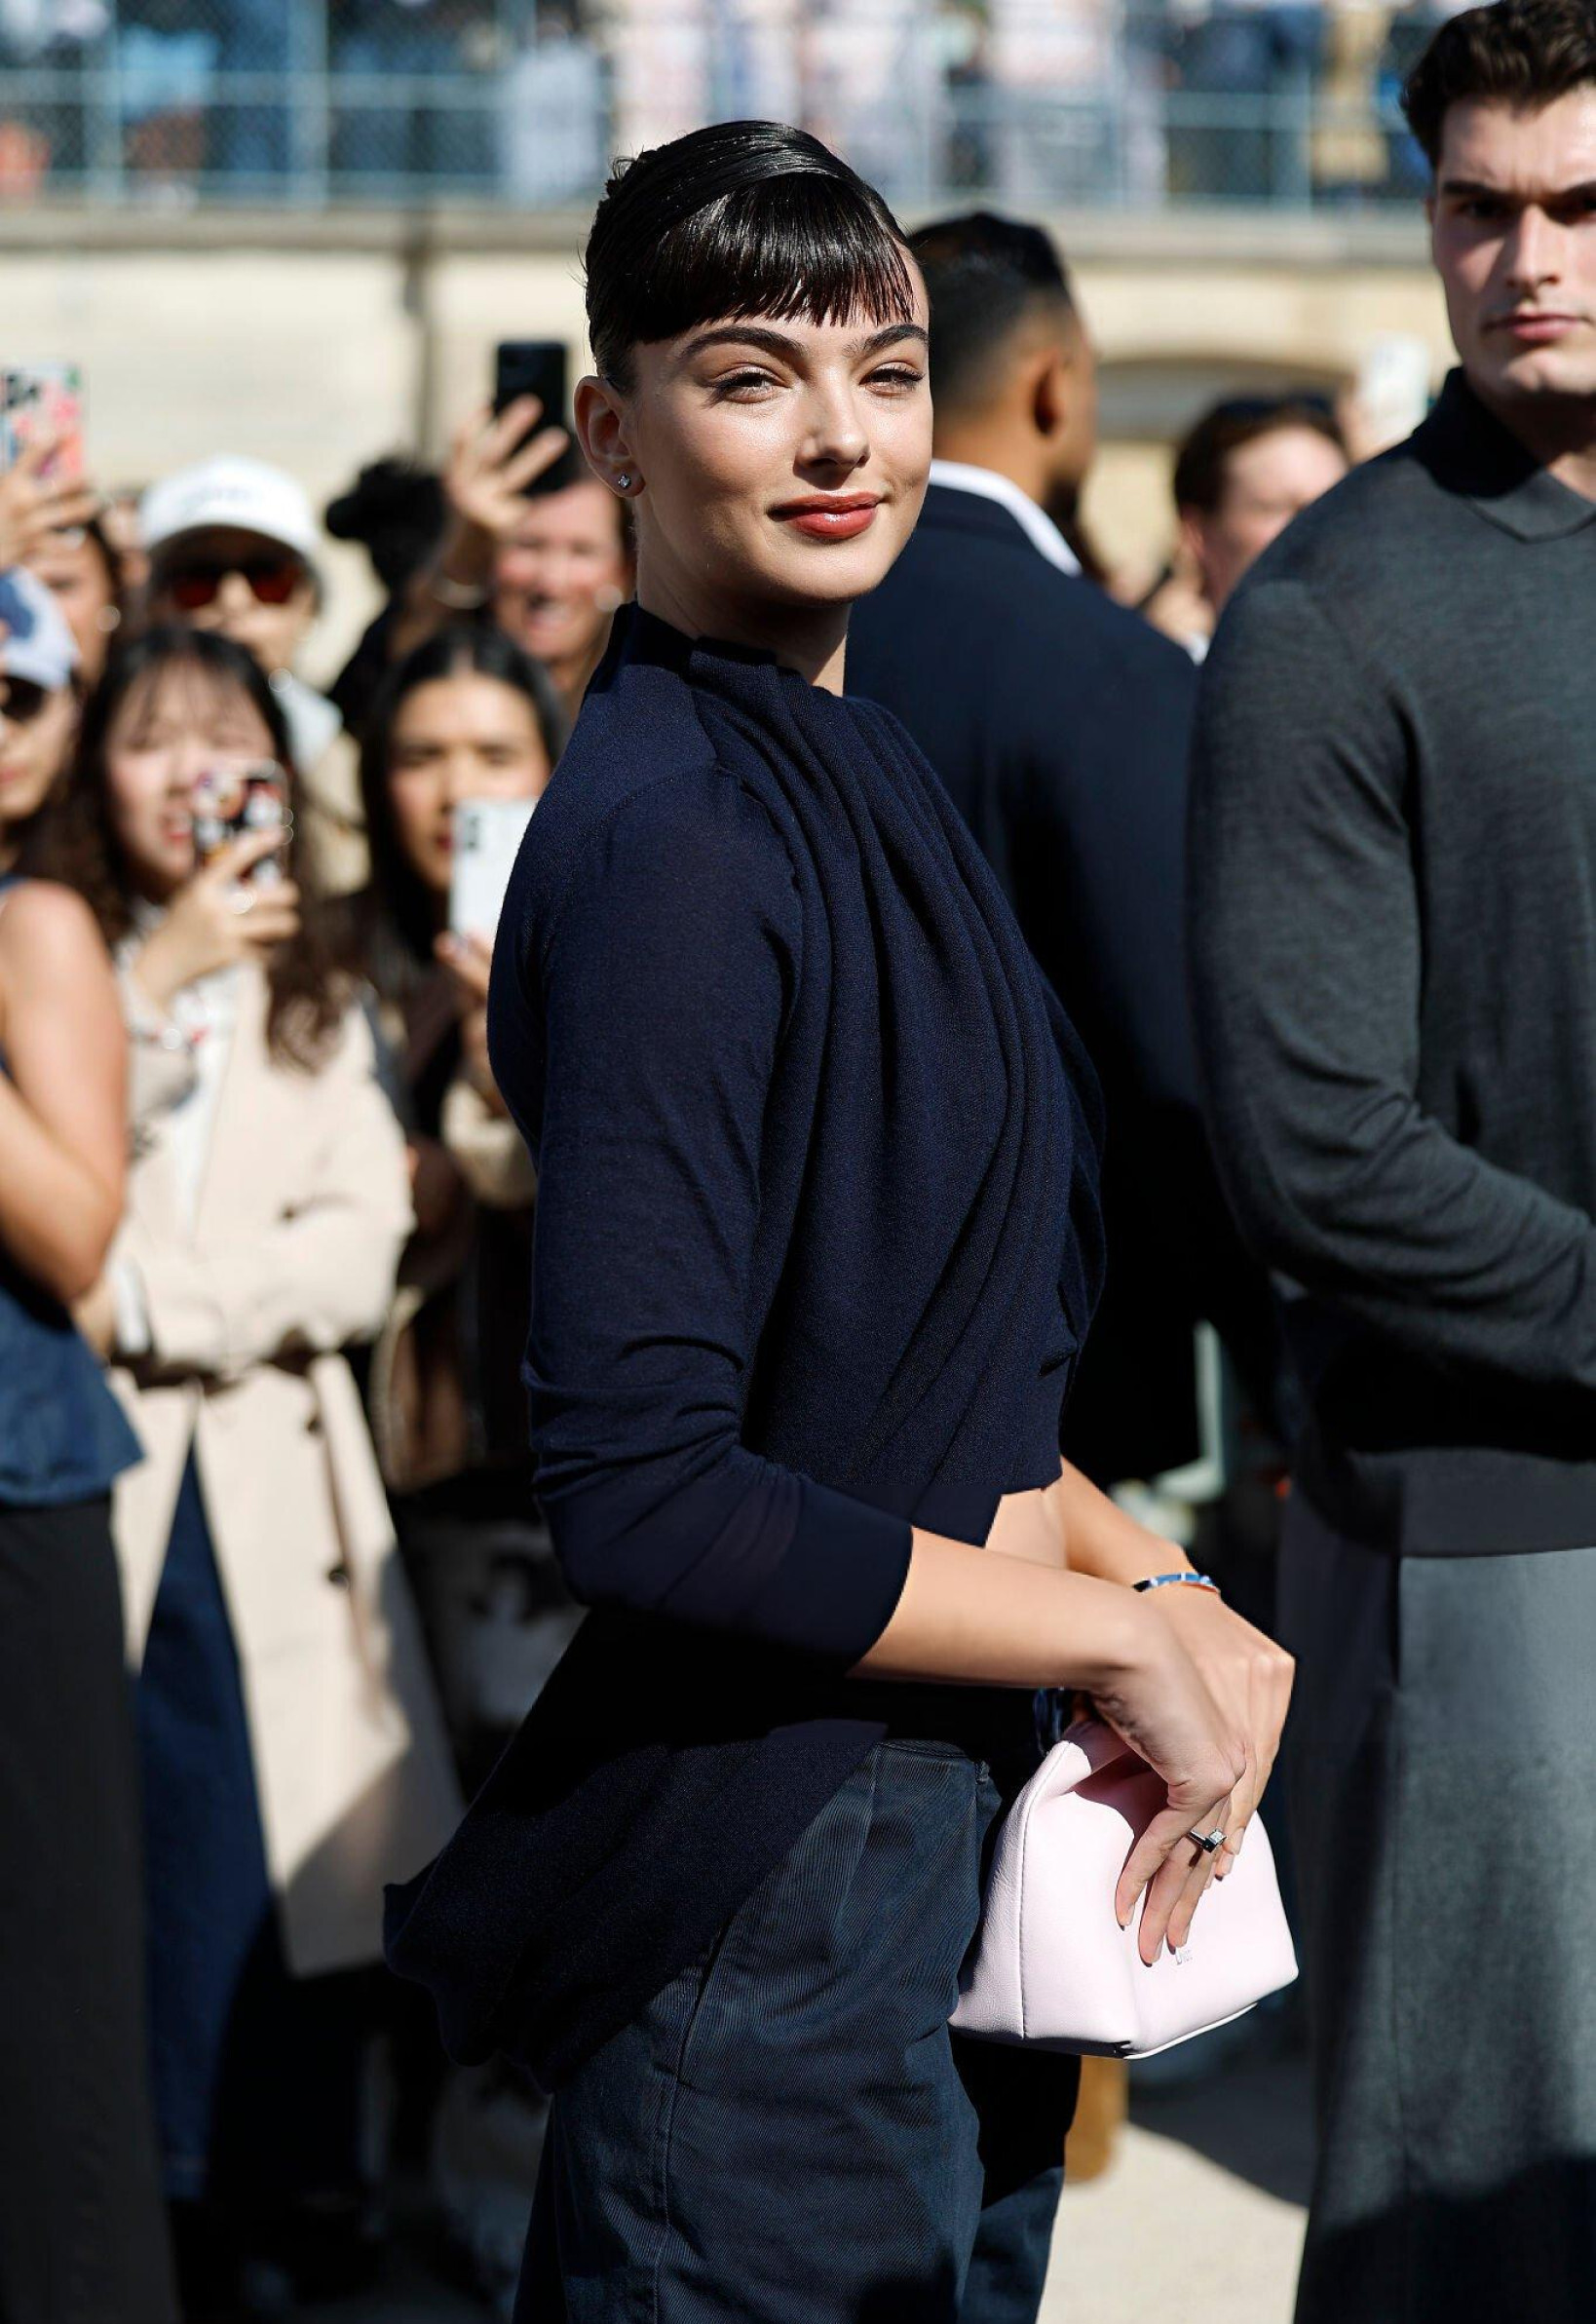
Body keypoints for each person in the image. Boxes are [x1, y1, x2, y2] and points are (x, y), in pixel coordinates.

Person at [388, 120, 1292, 2324]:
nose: (838, 438)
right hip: (772, 1883)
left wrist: (1153, 1575)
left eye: (883, 373)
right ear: (610, 428)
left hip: (914, 1840)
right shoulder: (684, 837)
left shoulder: (843, 758)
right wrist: (1107, 1634)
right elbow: (649, 1487)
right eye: (747, 376)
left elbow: (903, 1372)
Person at [1187, 4, 1596, 2317]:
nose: (1529, 259)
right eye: (1481, 207)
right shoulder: (1338, 610)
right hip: (1501, 1519)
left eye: (1585, 205)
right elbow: (1316, 1147)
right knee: (1492, 2224)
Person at [40, 625, 460, 2314]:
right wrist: (151, 987)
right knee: (115, 1857)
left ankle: (273, 2204)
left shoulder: (318, 995)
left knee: (279, 1877)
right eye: (153, 737)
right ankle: (146, 2209)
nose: (194, 772)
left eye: (230, 736)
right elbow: (60, 1192)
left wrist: (155, 1304)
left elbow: (355, 1247)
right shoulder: (59, 960)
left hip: (275, 1499)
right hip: (103, 1485)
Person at [848, 211, 1280, 1498]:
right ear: (1055, 385)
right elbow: (1175, 1065)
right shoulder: (1105, 669)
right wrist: (1285, 1372)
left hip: (784, 1397)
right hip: (1059, 1405)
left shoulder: (779, 632)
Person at [0, 578, 177, 2324]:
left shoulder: (35, 920)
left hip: (19, 1493)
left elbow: (74, 1230)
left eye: (16, 696)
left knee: (45, 1992)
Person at [339, 624, 574, 1784]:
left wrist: (513, 1053)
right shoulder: (331, 957)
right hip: (390, 1459)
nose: (458, 792)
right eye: (422, 756)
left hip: (566, 1463)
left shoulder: (610, 936)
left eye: (495, 755)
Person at [141, 455, 363, 890]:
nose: (233, 601)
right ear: (153, 604)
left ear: (309, 603)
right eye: (198, 580)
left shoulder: (356, 767)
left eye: (267, 578)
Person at [393, 411, 634, 724]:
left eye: (582, 551)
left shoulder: (649, 705)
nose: (551, 582)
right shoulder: (441, 686)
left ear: (624, 569)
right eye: (529, 545)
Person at [1159, 392, 1349, 655]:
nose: (1316, 528)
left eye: (1334, 505)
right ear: (1197, 533)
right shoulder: (1163, 663)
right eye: (1277, 507)